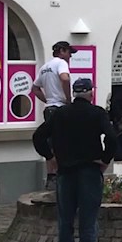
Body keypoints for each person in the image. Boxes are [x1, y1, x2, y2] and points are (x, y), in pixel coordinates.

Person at [32, 77, 117, 242]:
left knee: (65, 219)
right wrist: (104, 159)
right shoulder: (97, 113)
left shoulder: (61, 113)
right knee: (88, 219)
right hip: (90, 171)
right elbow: (112, 138)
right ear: (90, 93)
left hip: (65, 172)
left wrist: (50, 156)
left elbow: (38, 136)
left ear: (74, 93)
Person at [32, 40, 74, 190]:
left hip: (49, 108)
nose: (70, 57)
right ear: (62, 51)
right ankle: (62, 176)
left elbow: (35, 88)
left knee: (50, 144)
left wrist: (47, 99)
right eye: (69, 53)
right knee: (63, 143)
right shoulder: (61, 63)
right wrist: (68, 99)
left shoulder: (44, 67)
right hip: (60, 108)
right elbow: (65, 78)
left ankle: (51, 176)